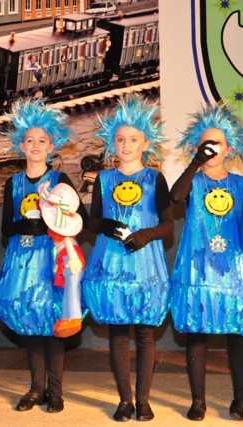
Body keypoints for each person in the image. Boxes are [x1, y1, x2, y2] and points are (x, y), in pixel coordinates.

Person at [0, 98, 87, 414]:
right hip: (23, 263)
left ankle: (55, 391)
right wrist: (22, 225)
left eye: (41, 141)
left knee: (54, 323)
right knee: (31, 324)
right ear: (21, 146)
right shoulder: (13, 183)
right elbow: (5, 228)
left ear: (51, 147)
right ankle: (36, 388)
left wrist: (50, 224)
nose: (35, 145)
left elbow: (81, 218)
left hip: (52, 261)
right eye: (29, 140)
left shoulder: (59, 180)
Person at [82, 94, 173, 422]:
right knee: (118, 333)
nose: (126, 145)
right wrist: (104, 225)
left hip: (145, 264)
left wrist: (147, 234)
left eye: (133, 139)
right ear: (112, 143)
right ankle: (125, 400)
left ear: (145, 143)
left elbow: (168, 225)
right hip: (111, 263)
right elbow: (92, 222)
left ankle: (144, 400)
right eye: (120, 139)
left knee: (145, 333)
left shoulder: (155, 178)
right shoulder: (103, 179)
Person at [169, 104, 243, 422]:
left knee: (237, 336)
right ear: (196, 149)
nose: (211, 149)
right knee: (197, 334)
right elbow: (175, 197)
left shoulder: (240, 184)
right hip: (198, 271)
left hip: (234, 271)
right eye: (204, 144)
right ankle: (198, 401)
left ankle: (241, 400)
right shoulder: (193, 182)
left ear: (228, 150)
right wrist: (195, 163)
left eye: (217, 143)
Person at [37, 181, 85, 338]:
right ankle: (66, 317)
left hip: (71, 255)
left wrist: (73, 258)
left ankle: (74, 317)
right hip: (64, 256)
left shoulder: (62, 227)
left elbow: (68, 242)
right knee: (67, 287)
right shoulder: (57, 224)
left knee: (72, 284)